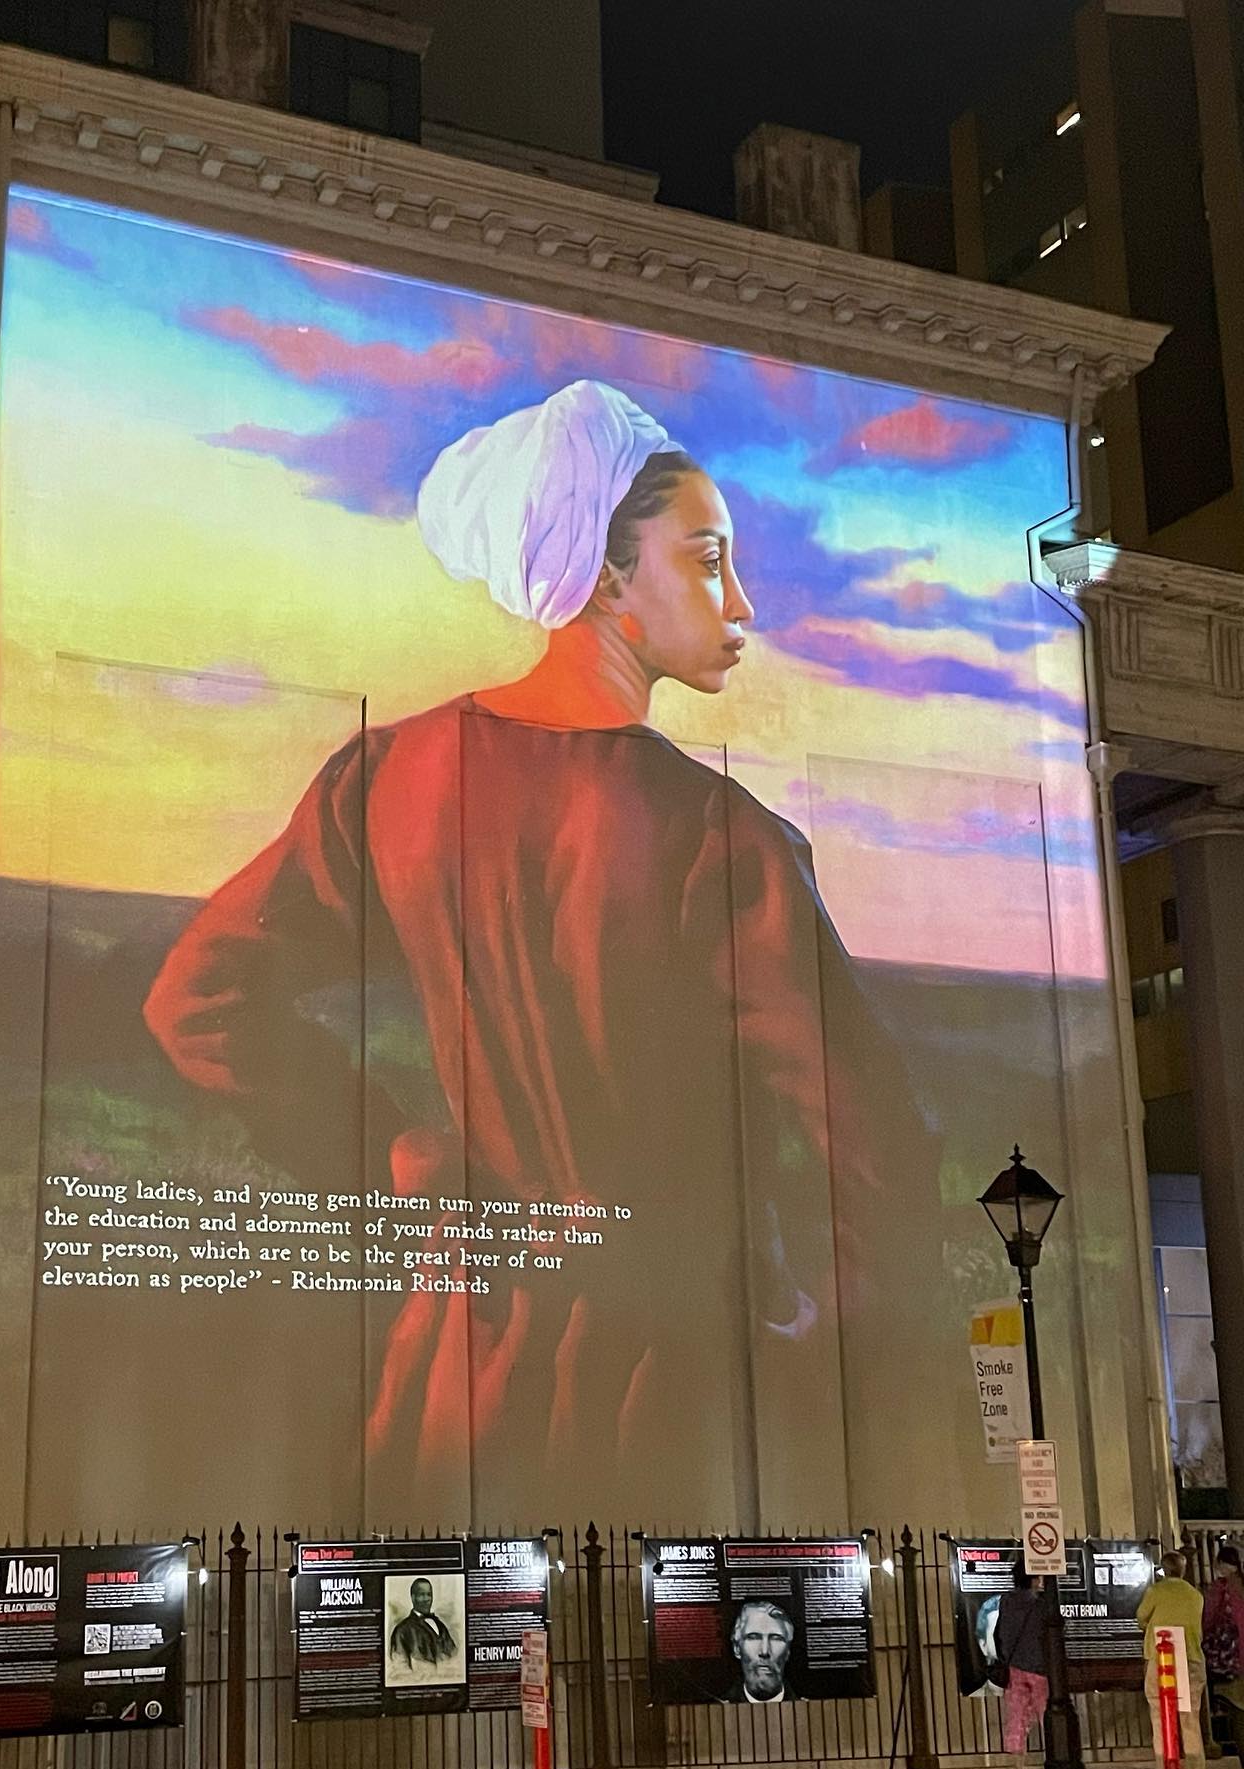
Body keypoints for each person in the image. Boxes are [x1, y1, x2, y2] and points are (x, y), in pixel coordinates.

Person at [144, 380, 928, 1481]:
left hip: (460, 1369)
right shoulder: (724, 845)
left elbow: (198, 1001)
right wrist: (834, 1341)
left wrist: (397, 1152)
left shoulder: (393, 777)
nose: (742, 601)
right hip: (682, 1386)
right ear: (610, 572)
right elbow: (878, 1143)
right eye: (707, 559)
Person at [1138, 1550, 1206, 1769]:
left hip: (1161, 1661)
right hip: (1191, 1661)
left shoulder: (1157, 1591)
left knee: (1160, 1722)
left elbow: (1141, 1617)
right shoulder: (1195, 1595)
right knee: (1190, 1723)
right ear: (1184, 1569)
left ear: (1163, 1570)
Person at [995, 1560, 1048, 1769]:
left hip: (1015, 1667)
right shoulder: (1040, 1603)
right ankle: (1050, 1766)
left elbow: (1002, 1633)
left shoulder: (1006, 1602)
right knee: (1047, 1718)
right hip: (1039, 1667)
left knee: (1018, 1719)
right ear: (1034, 1579)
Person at [1205, 1543, 1244, 1769]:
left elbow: (1207, 1620)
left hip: (1233, 1661)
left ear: (1221, 1565)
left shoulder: (1220, 1589)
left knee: (1239, 1716)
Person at [724, 1600, 795, 1703]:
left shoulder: (810, 1710)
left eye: (776, 1638)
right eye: (753, 1638)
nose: (764, 1651)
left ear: (788, 1650)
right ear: (737, 1648)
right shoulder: (714, 1711)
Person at [388, 1577, 457, 1670]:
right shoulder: (402, 1631)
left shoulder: (440, 1626)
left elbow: (454, 1657)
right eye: (422, 1595)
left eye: (429, 1594)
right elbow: (400, 1668)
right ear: (413, 1598)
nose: (426, 1599)